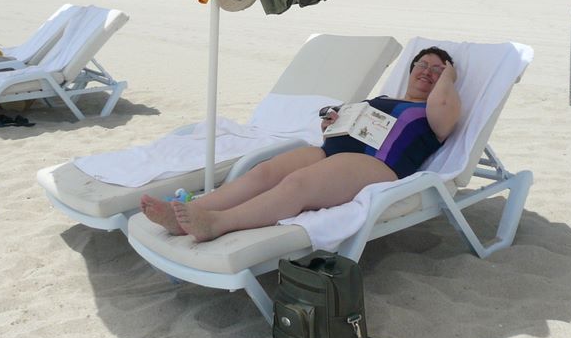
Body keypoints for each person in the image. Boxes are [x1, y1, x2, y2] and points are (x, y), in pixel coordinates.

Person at [141, 47, 461, 242]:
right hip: (334, 149)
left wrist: (448, 77)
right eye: (422, 65)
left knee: (297, 184)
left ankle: (217, 223)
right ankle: (194, 210)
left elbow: (444, 104)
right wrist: (332, 125)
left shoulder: (434, 112)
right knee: (262, 172)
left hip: (377, 163)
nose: (427, 72)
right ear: (410, 70)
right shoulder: (384, 98)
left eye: (437, 69)